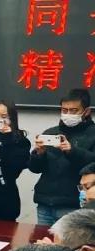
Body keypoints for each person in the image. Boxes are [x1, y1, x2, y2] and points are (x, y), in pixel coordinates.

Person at [31, 89, 95, 225]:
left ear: (86, 112)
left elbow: (92, 163)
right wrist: (39, 154)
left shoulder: (92, 134)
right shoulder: (51, 132)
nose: (68, 114)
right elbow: (34, 168)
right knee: (42, 238)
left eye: (73, 110)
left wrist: (71, 151)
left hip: (74, 206)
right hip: (45, 203)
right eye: (64, 110)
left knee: (69, 239)